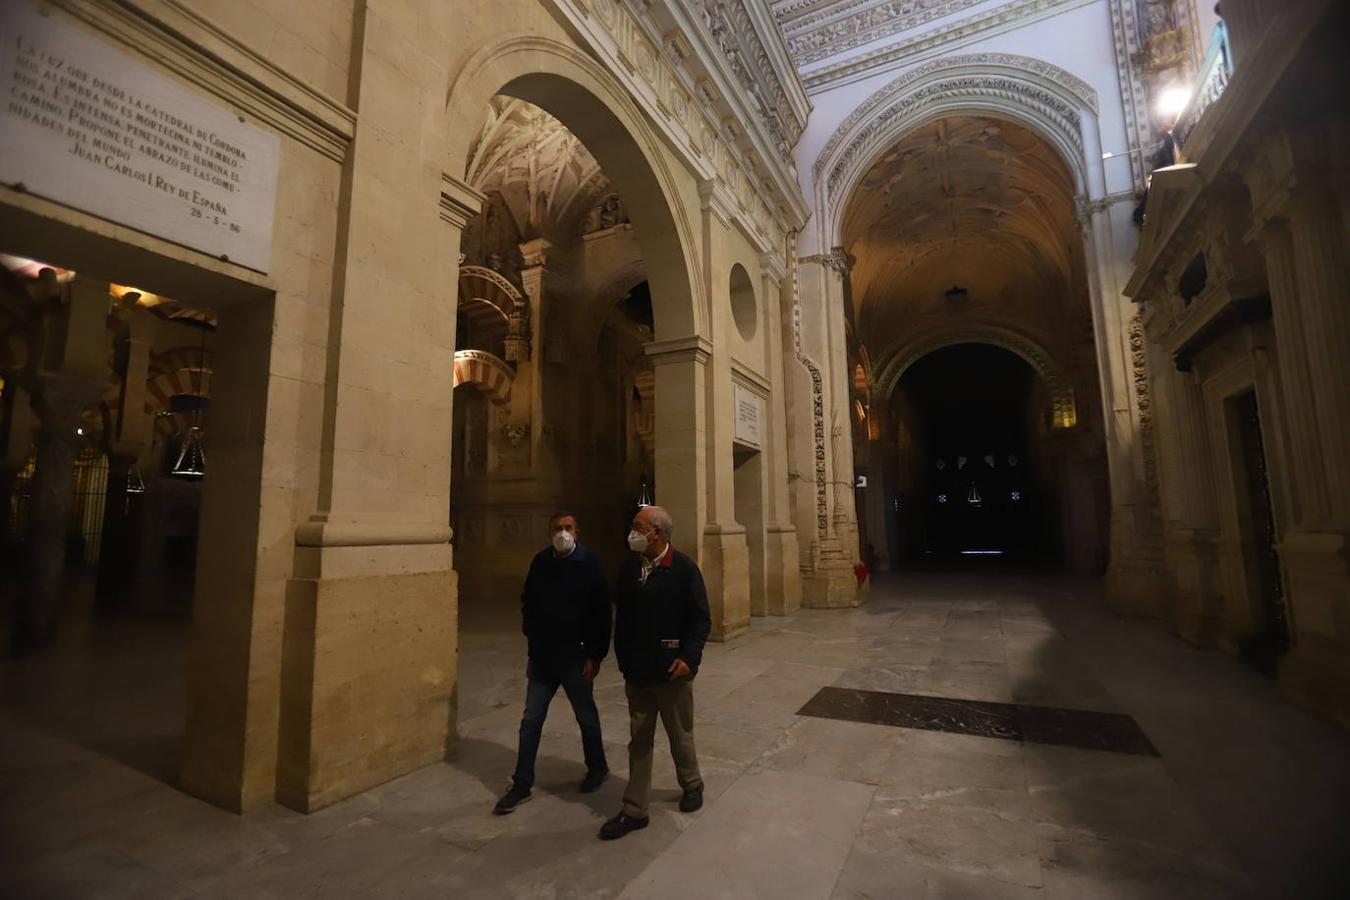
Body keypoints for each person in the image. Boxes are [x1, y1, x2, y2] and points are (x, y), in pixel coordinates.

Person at [599, 505, 711, 840]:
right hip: (638, 671)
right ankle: (635, 809)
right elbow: (623, 617)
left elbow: (700, 618)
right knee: (640, 740)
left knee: (680, 733)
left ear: (657, 532)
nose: (632, 532)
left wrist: (689, 658)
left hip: (673, 670)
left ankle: (691, 784)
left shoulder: (684, 569)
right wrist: (622, 659)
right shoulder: (628, 568)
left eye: (638, 526)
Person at [493, 511, 612, 815]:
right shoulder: (541, 562)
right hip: (544, 659)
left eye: (568, 527)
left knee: (586, 717)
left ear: (577, 531)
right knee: (530, 721)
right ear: (549, 532)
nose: (563, 532)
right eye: (557, 528)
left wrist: (594, 655)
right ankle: (521, 783)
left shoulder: (591, 564)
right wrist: (531, 640)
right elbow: (528, 602)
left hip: (576, 658)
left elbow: (601, 613)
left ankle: (597, 767)